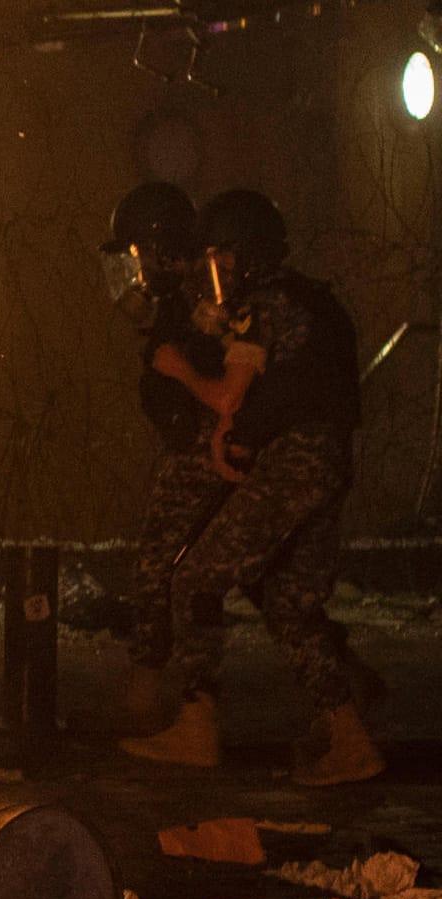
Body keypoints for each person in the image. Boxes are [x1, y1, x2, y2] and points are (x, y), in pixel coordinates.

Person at [118, 189, 384, 785]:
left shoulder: (265, 305)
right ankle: (347, 731)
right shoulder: (301, 301)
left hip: (291, 465)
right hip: (318, 463)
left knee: (194, 577)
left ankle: (196, 721)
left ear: (249, 255)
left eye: (225, 258)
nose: (218, 273)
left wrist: (180, 370)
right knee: (289, 600)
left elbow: (231, 397)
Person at [100, 181, 235, 728]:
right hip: (202, 443)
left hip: (204, 448)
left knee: (163, 564)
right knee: (263, 575)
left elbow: (224, 364)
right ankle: (345, 685)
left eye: (137, 255)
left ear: (155, 249)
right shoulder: (186, 294)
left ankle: (160, 692)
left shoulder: (203, 293)